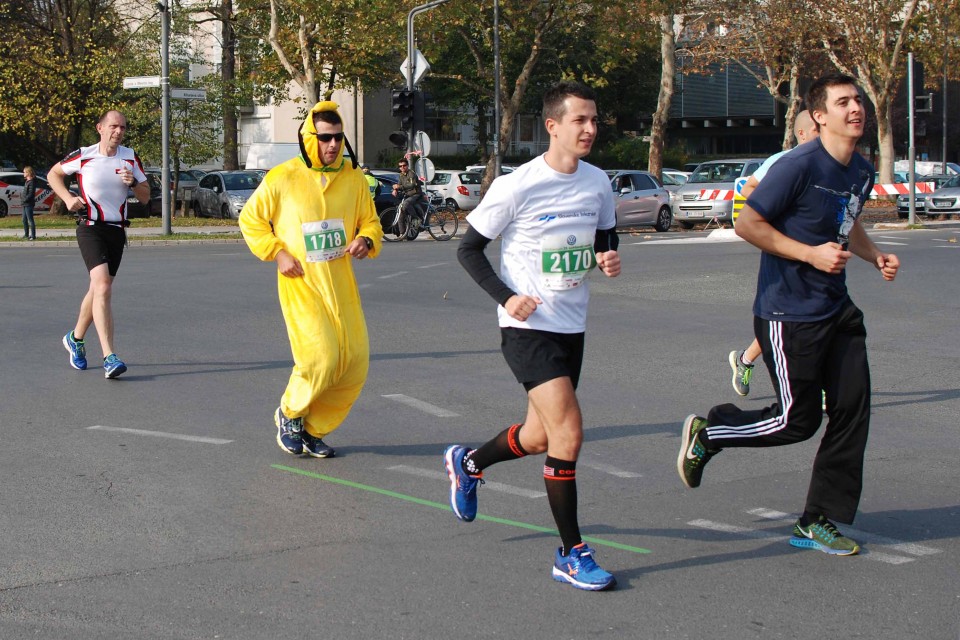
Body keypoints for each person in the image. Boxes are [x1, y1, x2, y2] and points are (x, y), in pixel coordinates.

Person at [677, 73, 900, 556]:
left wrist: (874, 255)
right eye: (844, 102)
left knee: (852, 411)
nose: (856, 108)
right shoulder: (798, 165)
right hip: (788, 311)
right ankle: (711, 432)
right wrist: (809, 255)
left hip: (837, 309)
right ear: (819, 116)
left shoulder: (859, 170)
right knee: (795, 423)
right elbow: (747, 223)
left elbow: (847, 222)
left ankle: (816, 520)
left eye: (858, 100)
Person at [444, 81, 621, 591]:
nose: (589, 129)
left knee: (541, 435)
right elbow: (469, 249)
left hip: (572, 323)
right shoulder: (519, 184)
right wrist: (507, 298)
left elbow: (604, 231)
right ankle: (571, 553)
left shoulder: (597, 182)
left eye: (593, 120)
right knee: (568, 434)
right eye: (579, 121)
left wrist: (606, 255)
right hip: (527, 328)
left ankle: (469, 462)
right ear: (552, 126)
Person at [239, 101, 382, 459]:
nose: (332, 145)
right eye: (324, 138)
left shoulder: (352, 178)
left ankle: (314, 428)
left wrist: (366, 240)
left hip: (341, 283)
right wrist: (277, 252)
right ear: (309, 137)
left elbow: (371, 222)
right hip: (300, 282)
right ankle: (289, 413)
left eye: (337, 138)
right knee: (321, 357)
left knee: (354, 360)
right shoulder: (283, 176)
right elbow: (251, 219)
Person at [48, 110, 149, 379]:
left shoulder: (130, 156)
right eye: (114, 126)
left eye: (123, 128)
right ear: (100, 128)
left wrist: (133, 183)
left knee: (98, 290)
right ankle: (109, 356)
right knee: (102, 285)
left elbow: (146, 195)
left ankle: (75, 338)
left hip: (117, 230)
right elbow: (53, 175)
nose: (119, 131)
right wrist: (68, 198)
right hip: (90, 227)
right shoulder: (84, 154)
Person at [729, 110, 819, 396]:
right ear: (802, 134)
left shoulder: (828, 162)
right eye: (818, 130)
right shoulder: (782, 161)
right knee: (784, 320)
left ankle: (745, 359)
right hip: (786, 251)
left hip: (819, 254)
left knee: (815, 320)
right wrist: (773, 211)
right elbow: (751, 187)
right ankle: (746, 359)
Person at [391, 157, 425, 223]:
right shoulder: (401, 175)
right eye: (400, 166)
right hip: (407, 194)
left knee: (406, 203)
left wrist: (399, 187)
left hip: (415, 194)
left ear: (407, 166)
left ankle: (417, 219)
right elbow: (399, 184)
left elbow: (411, 185)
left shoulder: (411, 174)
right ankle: (402, 232)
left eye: (404, 165)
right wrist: (395, 189)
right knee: (401, 210)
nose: (402, 167)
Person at [21, 166, 37, 240]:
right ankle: (26, 234)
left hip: (29, 203)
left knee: (30, 220)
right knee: (24, 220)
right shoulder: (27, 181)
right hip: (24, 203)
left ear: (28, 173)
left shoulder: (32, 182)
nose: (23, 173)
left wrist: (25, 200)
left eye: (24, 172)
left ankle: (33, 236)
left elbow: (31, 194)